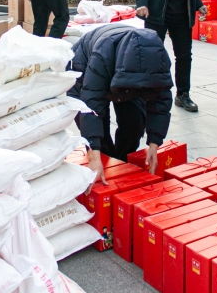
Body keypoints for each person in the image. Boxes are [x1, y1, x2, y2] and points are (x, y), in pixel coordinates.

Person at [67, 24, 173, 188]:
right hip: (86, 68)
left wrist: (154, 143)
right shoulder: (102, 55)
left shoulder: (158, 61)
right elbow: (91, 105)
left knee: (134, 124)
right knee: (99, 141)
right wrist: (94, 155)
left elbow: (161, 102)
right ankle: (104, 164)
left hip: (128, 77)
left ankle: (123, 165)